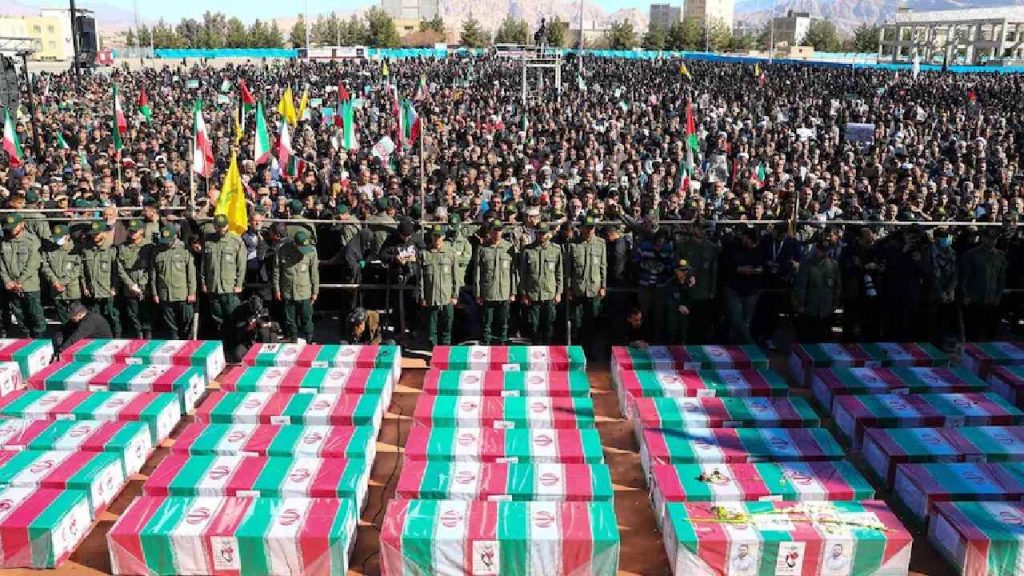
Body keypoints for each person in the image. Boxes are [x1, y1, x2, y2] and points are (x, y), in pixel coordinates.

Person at [0, 215, 45, 338]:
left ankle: (39, 340)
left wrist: (19, 281)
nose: (12, 229)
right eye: (10, 227)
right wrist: (7, 280)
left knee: (35, 314)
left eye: (14, 226)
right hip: (12, 286)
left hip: (29, 285)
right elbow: (1, 264)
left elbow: (33, 263)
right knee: (20, 315)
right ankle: (26, 337)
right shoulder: (4, 242)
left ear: (22, 224)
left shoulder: (31, 240)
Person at [473, 220, 517, 344]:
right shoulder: (482, 248)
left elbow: (513, 272)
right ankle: (486, 345)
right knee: (486, 323)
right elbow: (477, 272)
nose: (497, 233)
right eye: (495, 230)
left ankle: (502, 345)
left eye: (499, 230)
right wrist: (477, 293)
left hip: (504, 291)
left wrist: (513, 292)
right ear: (490, 231)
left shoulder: (509, 248)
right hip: (488, 292)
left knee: (504, 323)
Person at [518, 222, 563, 343]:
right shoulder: (528, 250)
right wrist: (524, 294)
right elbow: (522, 274)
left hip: (549, 293)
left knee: (548, 325)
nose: (541, 236)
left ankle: (547, 348)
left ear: (548, 234)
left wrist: (558, 292)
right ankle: (536, 349)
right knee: (534, 325)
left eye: (544, 233)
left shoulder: (555, 250)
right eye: (539, 233)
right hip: (533, 294)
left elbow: (559, 273)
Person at [202, 214, 247, 333]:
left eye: (223, 226)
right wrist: (203, 282)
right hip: (213, 286)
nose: (221, 229)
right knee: (217, 318)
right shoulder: (208, 241)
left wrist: (239, 284)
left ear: (227, 226)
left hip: (229, 287)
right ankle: (222, 339)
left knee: (234, 317)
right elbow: (203, 264)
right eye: (218, 226)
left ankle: (235, 340)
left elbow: (241, 266)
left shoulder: (236, 241)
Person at [567, 216, 607, 351]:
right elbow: (569, 269)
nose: (590, 230)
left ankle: (591, 350)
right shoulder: (573, 244)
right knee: (577, 322)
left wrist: (603, 286)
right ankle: (576, 350)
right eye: (588, 227)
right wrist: (569, 288)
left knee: (592, 321)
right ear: (582, 228)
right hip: (578, 288)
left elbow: (603, 266)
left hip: (594, 288)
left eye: (592, 228)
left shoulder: (600, 243)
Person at [675, 222, 719, 343]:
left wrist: (712, 290)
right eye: (699, 228)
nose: (702, 231)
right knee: (686, 323)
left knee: (703, 323)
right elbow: (679, 262)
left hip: (705, 290)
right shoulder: (683, 245)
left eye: (704, 229)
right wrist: (687, 271)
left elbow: (714, 270)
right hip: (687, 291)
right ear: (694, 229)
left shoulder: (711, 247)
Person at [961, 228, 1008, 341]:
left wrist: (998, 296)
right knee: (973, 331)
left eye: (994, 239)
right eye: (989, 238)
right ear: (983, 238)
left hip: (992, 299)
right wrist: (966, 295)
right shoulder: (971, 254)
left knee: (990, 332)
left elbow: (1001, 279)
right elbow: (964, 277)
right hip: (975, 298)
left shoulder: (1000, 256)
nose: (992, 241)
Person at [151, 225, 197, 339]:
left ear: (175, 237)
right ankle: (174, 339)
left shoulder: (184, 251)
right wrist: (155, 293)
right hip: (165, 294)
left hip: (182, 293)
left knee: (187, 319)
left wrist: (192, 292)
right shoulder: (157, 252)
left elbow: (191, 274)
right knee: (170, 323)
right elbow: (153, 275)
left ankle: (186, 339)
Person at [274, 230, 319, 343]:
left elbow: (314, 273)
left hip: (304, 291)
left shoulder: (311, 251)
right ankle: (293, 338)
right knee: (290, 318)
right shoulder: (282, 250)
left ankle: (309, 337)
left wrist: (315, 291)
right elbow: (276, 271)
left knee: (306, 317)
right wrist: (277, 289)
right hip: (288, 290)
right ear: (295, 243)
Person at [793, 238, 841, 342]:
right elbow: (801, 286)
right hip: (811, 308)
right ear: (817, 249)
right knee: (809, 338)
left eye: (826, 250)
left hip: (826, 308)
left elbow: (837, 286)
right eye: (822, 250)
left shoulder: (833, 265)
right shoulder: (807, 264)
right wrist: (801, 303)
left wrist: (835, 301)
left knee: (825, 338)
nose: (824, 253)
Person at [418, 224, 458, 346]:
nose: (437, 239)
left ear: (443, 236)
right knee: (432, 330)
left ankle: (445, 350)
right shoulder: (425, 254)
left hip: (447, 298)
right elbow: (421, 278)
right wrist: (422, 296)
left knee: (447, 328)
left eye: (439, 236)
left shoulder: (451, 254)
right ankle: (433, 351)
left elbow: (455, 277)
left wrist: (455, 295)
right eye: (435, 236)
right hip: (431, 297)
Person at [116, 220, 154, 339]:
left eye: (135, 231)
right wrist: (131, 285)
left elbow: (151, 268)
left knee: (147, 313)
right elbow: (120, 268)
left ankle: (148, 334)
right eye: (130, 231)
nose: (132, 233)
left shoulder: (149, 246)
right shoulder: (123, 247)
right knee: (133, 313)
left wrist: (141, 283)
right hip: (129, 287)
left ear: (141, 231)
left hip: (145, 287)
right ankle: (139, 334)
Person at [81, 221, 121, 336]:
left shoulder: (112, 250)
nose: (95, 236)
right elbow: (83, 271)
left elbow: (116, 271)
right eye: (93, 234)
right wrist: (85, 286)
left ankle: (117, 336)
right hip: (93, 290)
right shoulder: (87, 251)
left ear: (105, 233)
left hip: (107, 290)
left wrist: (114, 287)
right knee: (95, 317)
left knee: (112, 315)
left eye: (97, 234)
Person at [41, 224, 83, 324]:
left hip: (72, 289)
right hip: (56, 289)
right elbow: (45, 266)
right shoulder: (50, 249)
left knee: (77, 317)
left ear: (67, 236)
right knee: (63, 318)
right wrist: (55, 281)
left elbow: (77, 269)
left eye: (60, 237)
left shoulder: (76, 249)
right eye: (55, 237)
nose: (57, 239)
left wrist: (62, 282)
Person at [662, 259, 694, 343]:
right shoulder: (670, 284)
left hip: (686, 317)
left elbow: (692, 299)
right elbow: (666, 300)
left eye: (686, 270)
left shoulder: (690, 284)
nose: (685, 272)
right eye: (682, 270)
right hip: (673, 318)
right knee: (672, 336)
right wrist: (678, 306)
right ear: (676, 271)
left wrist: (687, 307)